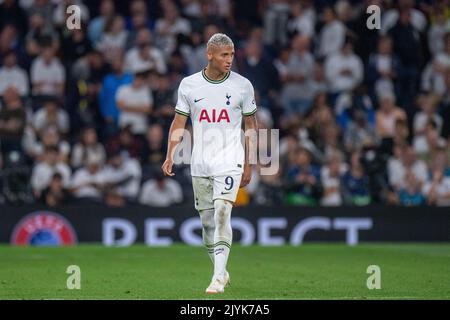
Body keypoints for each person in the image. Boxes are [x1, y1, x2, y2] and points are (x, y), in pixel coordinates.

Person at [161, 33, 257, 294]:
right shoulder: (189, 85)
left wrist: (249, 162)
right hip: (201, 162)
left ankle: (216, 279)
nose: (229, 60)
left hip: (230, 160)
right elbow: (179, 123)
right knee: (206, 223)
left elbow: (251, 126)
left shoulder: (243, 86)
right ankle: (221, 270)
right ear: (210, 55)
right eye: (224, 55)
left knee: (223, 212)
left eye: (232, 54)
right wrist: (170, 154)